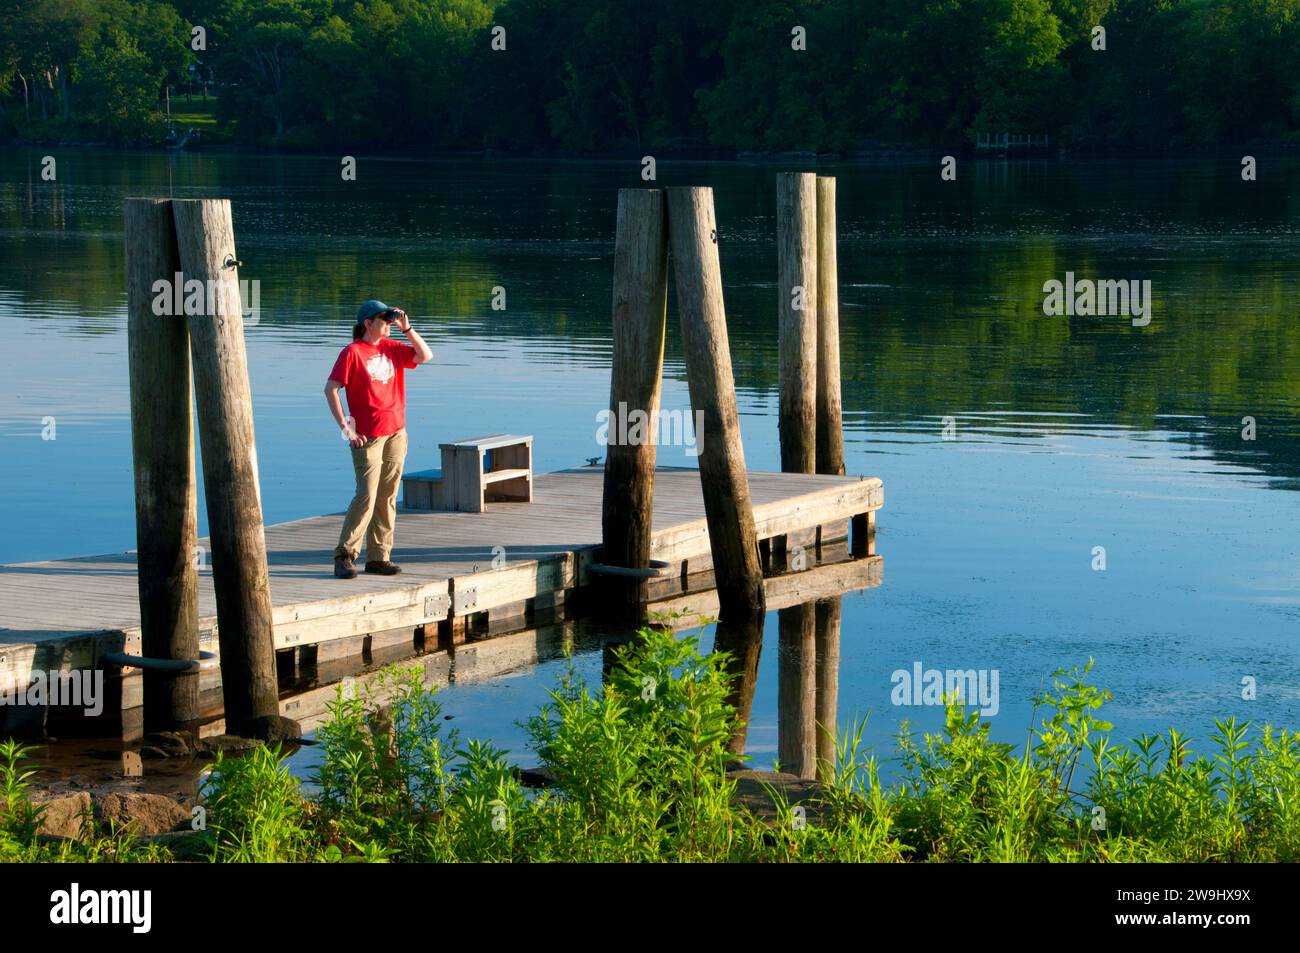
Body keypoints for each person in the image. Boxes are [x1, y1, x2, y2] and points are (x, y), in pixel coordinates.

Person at [325, 299, 432, 579]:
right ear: (367, 324)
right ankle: (344, 555)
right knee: (367, 495)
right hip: (368, 436)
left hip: (396, 431)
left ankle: (379, 557)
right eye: (383, 320)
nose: (388, 324)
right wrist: (347, 429)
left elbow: (425, 356)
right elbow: (331, 390)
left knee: (387, 497)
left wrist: (406, 328)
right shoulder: (352, 352)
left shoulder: (392, 348)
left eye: (389, 319)